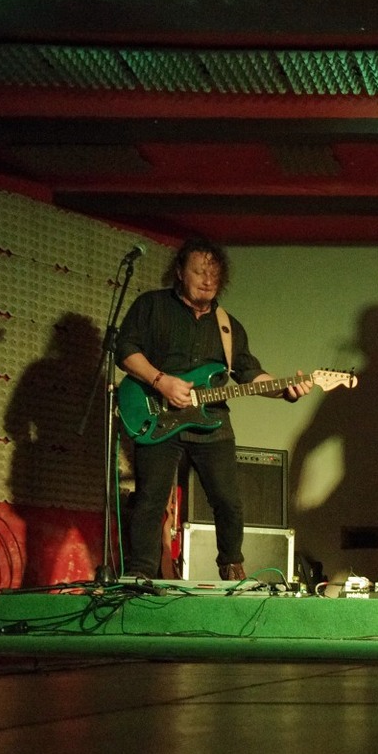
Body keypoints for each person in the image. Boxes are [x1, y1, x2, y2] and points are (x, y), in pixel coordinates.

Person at [116, 237, 304, 580]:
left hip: (211, 419)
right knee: (150, 499)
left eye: (214, 274)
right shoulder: (152, 306)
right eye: (199, 271)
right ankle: (139, 574)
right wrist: (161, 381)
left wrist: (285, 389)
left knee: (228, 500)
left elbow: (248, 372)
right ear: (179, 272)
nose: (207, 280)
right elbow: (125, 350)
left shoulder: (228, 325)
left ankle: (231, 568)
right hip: (157, 413)